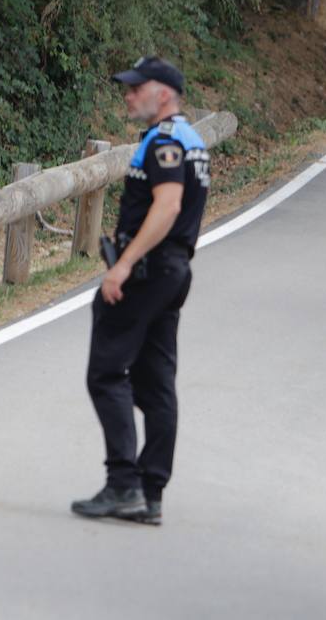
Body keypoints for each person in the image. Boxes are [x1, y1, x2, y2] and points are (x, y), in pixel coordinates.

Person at [72, 56, 210, 527]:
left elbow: (168, 206)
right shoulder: (191, 141)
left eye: (137, 88)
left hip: (148, 270)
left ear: (165, 93)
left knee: (106, 373)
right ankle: (151, 492)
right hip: (173, 272)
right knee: (155, 383)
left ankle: (123, 485)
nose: (128, 96)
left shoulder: (164, 143)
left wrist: (124, 266)